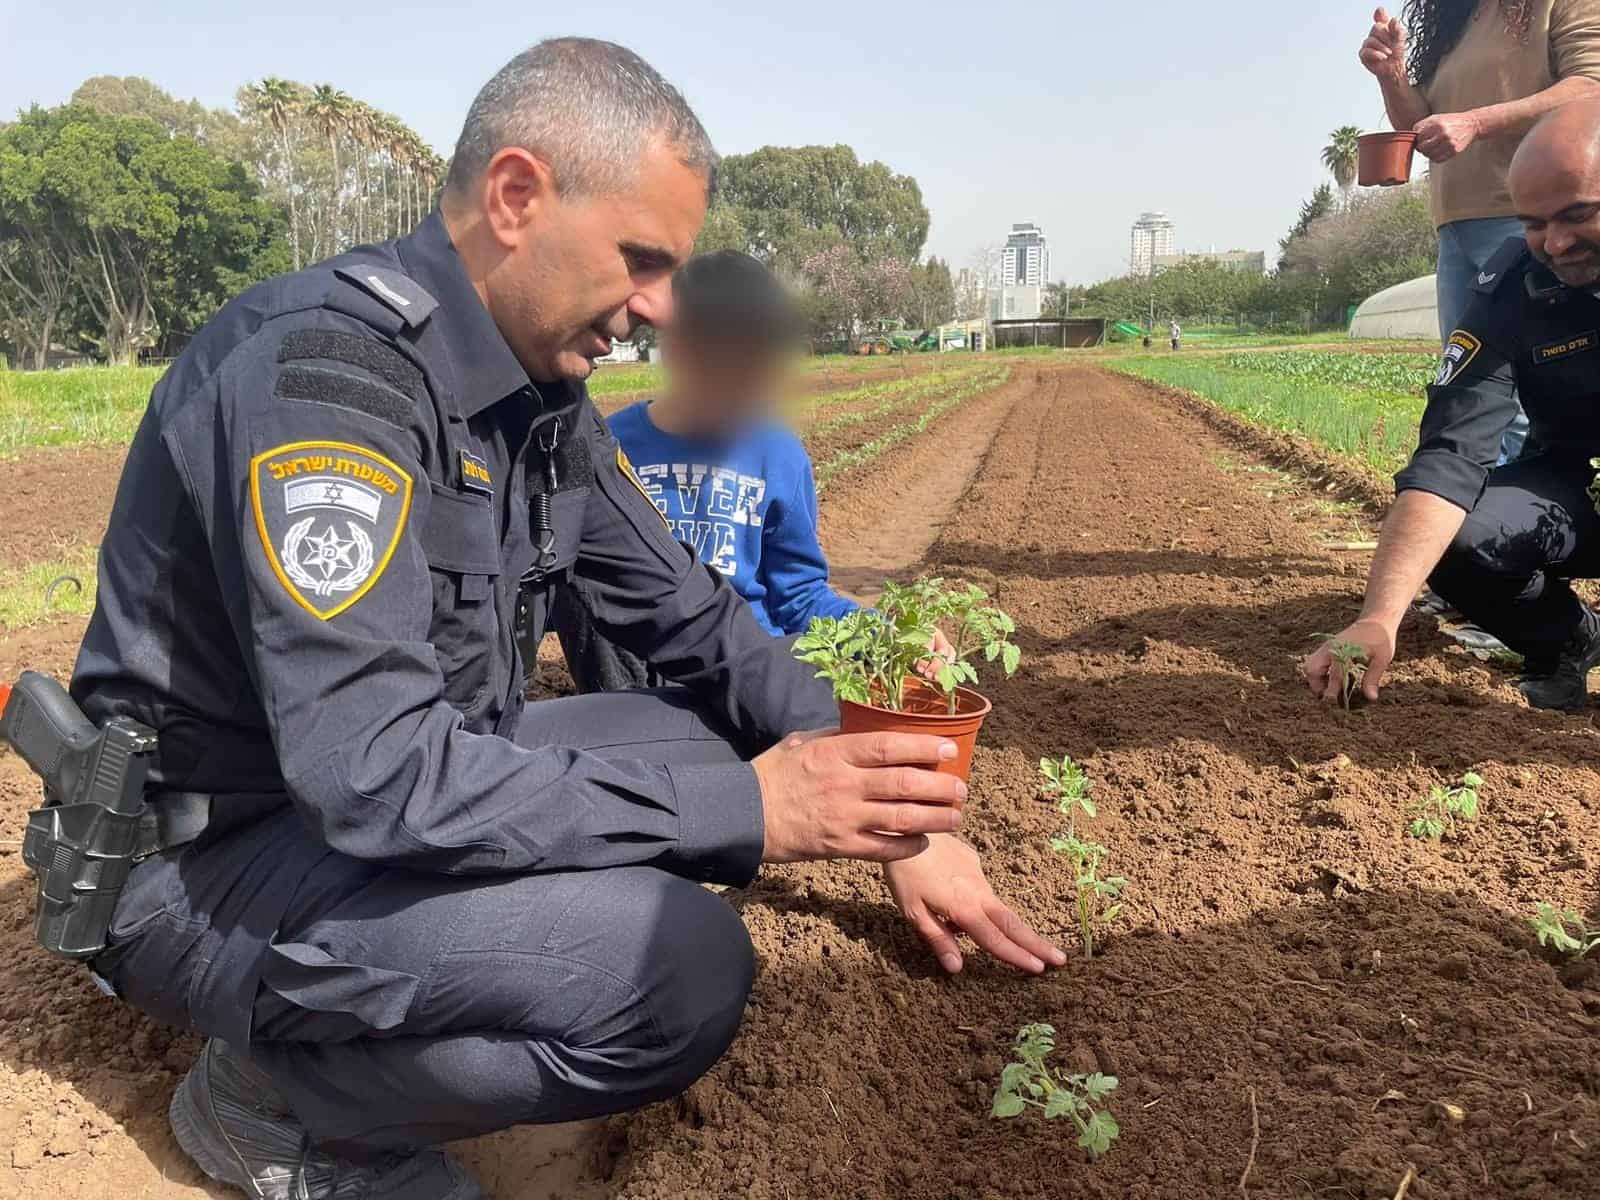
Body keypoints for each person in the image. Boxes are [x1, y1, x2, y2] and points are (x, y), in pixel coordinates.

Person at [66, 39, 1063, 1200]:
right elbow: (375, 773)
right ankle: (281, 1110)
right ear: (515, 196)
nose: (654, 311)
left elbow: (698, 626)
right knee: (673, 972)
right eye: (641, 260)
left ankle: (333, 1049)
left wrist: (891, 807)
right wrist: (757, 808)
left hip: (349, 813)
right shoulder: (328, 383)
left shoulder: (539, 405)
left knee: (696, 742)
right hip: (212, 864)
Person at [1306, 99, 1600, 713]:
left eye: (1578, 215)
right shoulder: (1514, 282)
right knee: (1459, 540)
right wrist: (1379, 617)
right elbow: (1452, 449)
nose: (1556, 241)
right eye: (1534, 222)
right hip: (1578, 483)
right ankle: (1568, 640)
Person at [557, 250, 858, 693]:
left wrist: (880, 633)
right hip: (636, 677)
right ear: (676, 349)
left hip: (742, 670)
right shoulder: (613, 446)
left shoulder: (780, 457)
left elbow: (799, 594)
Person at [1359, 1, 1600, 460]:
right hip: (1456, 224)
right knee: (1470, 385)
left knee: (1523, 394)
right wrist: (1391, 75)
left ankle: (1526, 510)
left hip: (1533, 223)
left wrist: (1476, 122)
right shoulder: (1458, 18)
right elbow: (1422, 126)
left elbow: (1589, 87)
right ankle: (1482, 507)